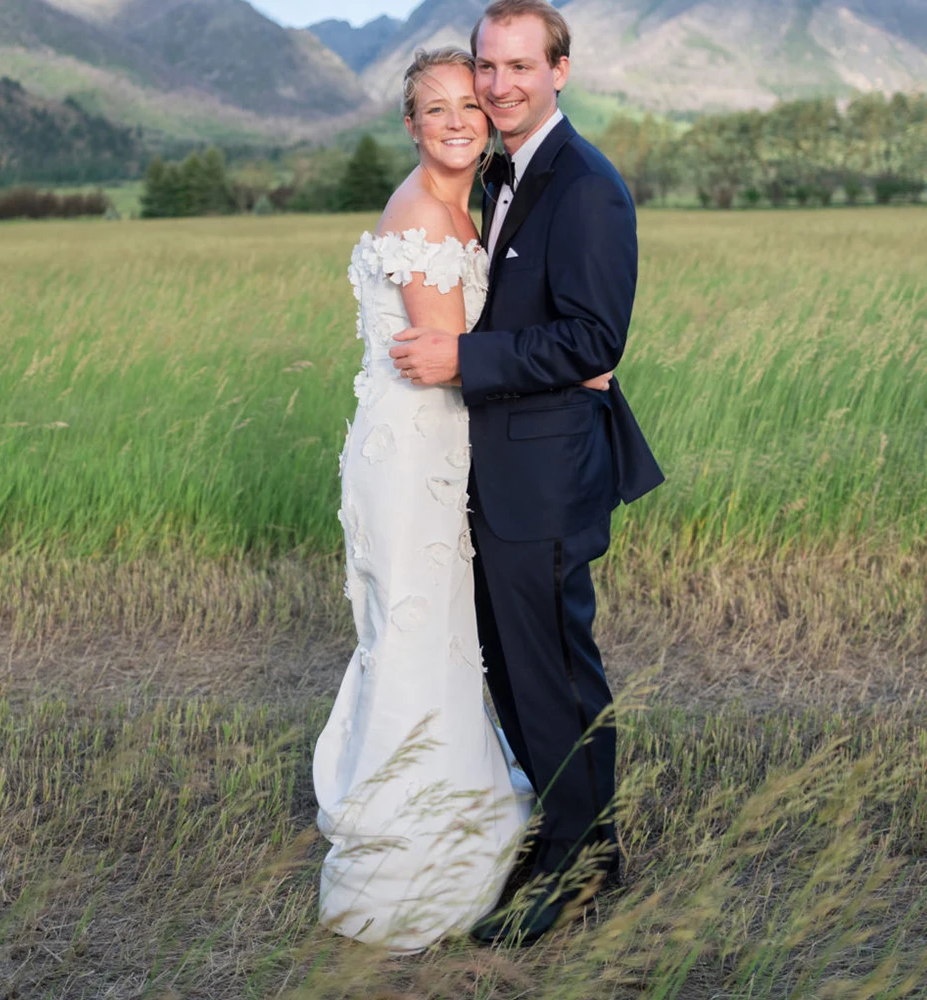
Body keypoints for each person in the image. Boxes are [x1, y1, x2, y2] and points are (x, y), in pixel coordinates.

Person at [389, 0, 665, 946]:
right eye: (487, 67)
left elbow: (595, 337)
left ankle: (582, 867)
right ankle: (569, 837)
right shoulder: (506, 168)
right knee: (516, 669)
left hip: (546, 474)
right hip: (496, 467)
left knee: (553, 672)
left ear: (560, 70)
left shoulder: (586, 184)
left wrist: (468, 358)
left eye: (518, 67)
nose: (499, 85)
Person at [313, 47, 550, 953]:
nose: (458, 121)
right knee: (416, 631)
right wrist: (569, 363)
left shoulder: (469, 203)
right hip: (414, 457)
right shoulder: (421, 214)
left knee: (439, 633)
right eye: (437, 110)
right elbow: (449, 352)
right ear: (409, 126)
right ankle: (410, 859)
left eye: (471, 107)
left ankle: (455, 809)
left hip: (438, 448)